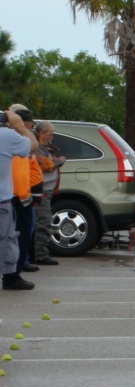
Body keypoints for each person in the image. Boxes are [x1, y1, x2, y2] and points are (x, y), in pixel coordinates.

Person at [1, 109, 39, 290]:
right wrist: (19, 126)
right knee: (8, 239)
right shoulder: (6, 135)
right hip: (2, 200)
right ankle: (10, 277)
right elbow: (33, 145)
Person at [9, 106, 42, 273]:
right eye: (29, 123)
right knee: (19, 235)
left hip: (21, 195)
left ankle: (18, 268)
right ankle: (14, 272)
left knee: (20, 235)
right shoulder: (16, 139)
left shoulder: (18, 140)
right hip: (16, 196)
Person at [32, 121, 66, 266]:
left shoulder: (44, 147)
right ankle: (40, 254)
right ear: (41, 133)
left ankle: (36, 253)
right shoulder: (36, 147)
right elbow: (46, 165)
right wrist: (58, 162)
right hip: (42, 190)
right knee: (43, 222)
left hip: (47, 189)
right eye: (50, 134)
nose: (51, 138)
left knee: (41, 221)